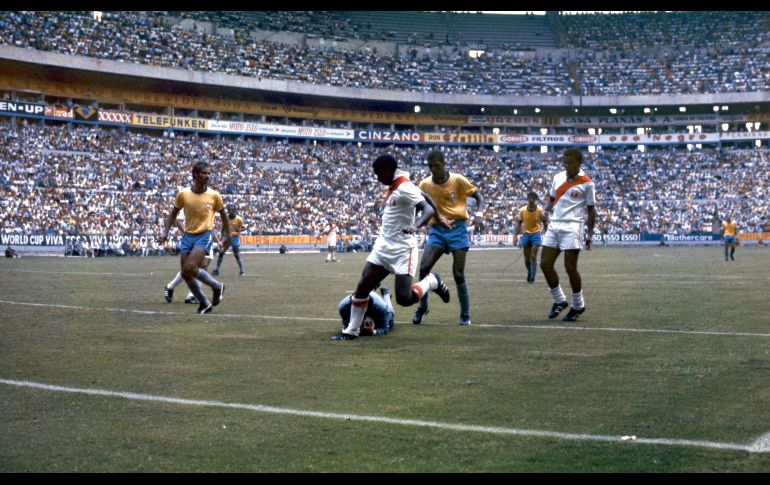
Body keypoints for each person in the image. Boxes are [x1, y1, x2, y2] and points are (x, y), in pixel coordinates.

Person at [331, 153, 450, 341]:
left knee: (403, 298)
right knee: (363, 286)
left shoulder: (404, 186)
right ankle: (351, 331)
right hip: (383, 246)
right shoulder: (399, 182)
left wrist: (416, 225)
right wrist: (440, 215)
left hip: (402, 249)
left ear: (387, 171)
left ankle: (431, 282)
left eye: (379, 174)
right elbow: (426, 196)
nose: (378, 179)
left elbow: (426, 207)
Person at [413, 149, 484, 326]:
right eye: (430, 166)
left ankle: (465, 314)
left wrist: (480, 213)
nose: (433, 169)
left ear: (444, 165)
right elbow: (420, 206)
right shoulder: (424, 184)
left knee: (458, 273)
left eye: (436, 165)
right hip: (437, 229)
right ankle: (423, 307)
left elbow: (478, 196)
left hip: (458, 228)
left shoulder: (458, 180)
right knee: (423, 268)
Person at [159, 161, 230, 314]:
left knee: (191, 267)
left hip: (204, 235)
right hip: (188, 236)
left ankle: (216, 286)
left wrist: (226, 236)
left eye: (209, 173)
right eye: (204, 173)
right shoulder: (183, 194)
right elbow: (173, 215)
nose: (208, 176)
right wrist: (165, 232)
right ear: (195, 174)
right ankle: (205, 302)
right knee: (185, 273)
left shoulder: (214, 195)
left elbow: (224, 217)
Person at [540, 148, 596, 322]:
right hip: (554, 224)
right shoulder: (558, 177)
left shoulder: (587, 183)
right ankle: (559, 301)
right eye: (564, 162)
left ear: (579, 162)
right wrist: (545, 210)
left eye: (570, 162)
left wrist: (590, 235)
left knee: (570, 268)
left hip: (573, 227)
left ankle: (578, 305)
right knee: (544, 264)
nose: (566, 165)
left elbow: (591, 210)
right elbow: (551, 198)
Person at [164, 208, 223, 304]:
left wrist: (218, 241)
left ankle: (191, 295)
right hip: (193, 240)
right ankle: (171, 287)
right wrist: (187, 233)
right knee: (190, 268)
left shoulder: (210, 204)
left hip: (206, 239)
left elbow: (210, 228)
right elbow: (178, 220)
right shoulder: (189, 202)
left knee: (203, 267)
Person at [513, 191, 545, 284]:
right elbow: (519, 223)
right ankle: (530, 272)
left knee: (533, 255)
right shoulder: (522, 210)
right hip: (526, 234)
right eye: (529, 198)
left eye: (533, 198)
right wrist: (515, 236)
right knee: (527, 259)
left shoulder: (539, 210)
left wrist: (545, 230)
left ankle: (532, 278)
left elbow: (545, 222)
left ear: (535, 200)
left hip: (536, 233)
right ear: (527, 199)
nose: (531, 200)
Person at [212, 205, 246, 277]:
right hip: (226, 236)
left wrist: (240, 230)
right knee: (221, 253)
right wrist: (220, 239)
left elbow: (244, 227)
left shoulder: (239, 219)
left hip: (235, 237)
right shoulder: (225, 217)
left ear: (235, 210)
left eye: (232, 210)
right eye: (230, 210)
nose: (231, 211)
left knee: (236, 254)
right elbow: (223, 228)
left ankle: (242, 271)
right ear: (228, 210)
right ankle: (217, 270)